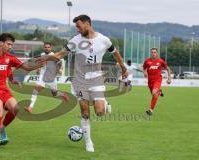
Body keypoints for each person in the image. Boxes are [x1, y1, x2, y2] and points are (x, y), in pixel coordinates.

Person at [40, 15, 128, 152]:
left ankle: (104, 102)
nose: (77, 29)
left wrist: (123, 68)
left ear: (87, 24)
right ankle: (88, 143)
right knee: (85, 112)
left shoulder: (104, 40)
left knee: (100, 112)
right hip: (80, 81)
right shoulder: (75, 40)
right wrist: (46, 59)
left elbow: (116, 54)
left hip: (96, 79)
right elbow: (61, 54)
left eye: (78, 26)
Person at [26, 42, 69, 113]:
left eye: (48, 47)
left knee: (54, 94)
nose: (47, 48)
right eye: (45, 47)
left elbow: (59, 63)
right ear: (44, 47)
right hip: (42, 75)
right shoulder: (42, 55)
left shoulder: (53, 55)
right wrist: (37, 69)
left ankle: (62, 94)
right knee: (36, 89)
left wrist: (58, 70)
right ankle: (30, 107)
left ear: (50, 48)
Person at [143, 48, 171, 116]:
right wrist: (144, 72)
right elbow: (144, 68)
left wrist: (169, 78)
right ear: (150, 53)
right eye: (152, 52)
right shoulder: (147, 61)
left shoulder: (160, 61)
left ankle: (150, 110)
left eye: (155, 52)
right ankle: (159, 92)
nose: (153, 53)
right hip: (150, 81)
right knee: (154, 95)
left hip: (157, 80)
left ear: (157, 53)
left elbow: (168, 69)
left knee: (154, 93)